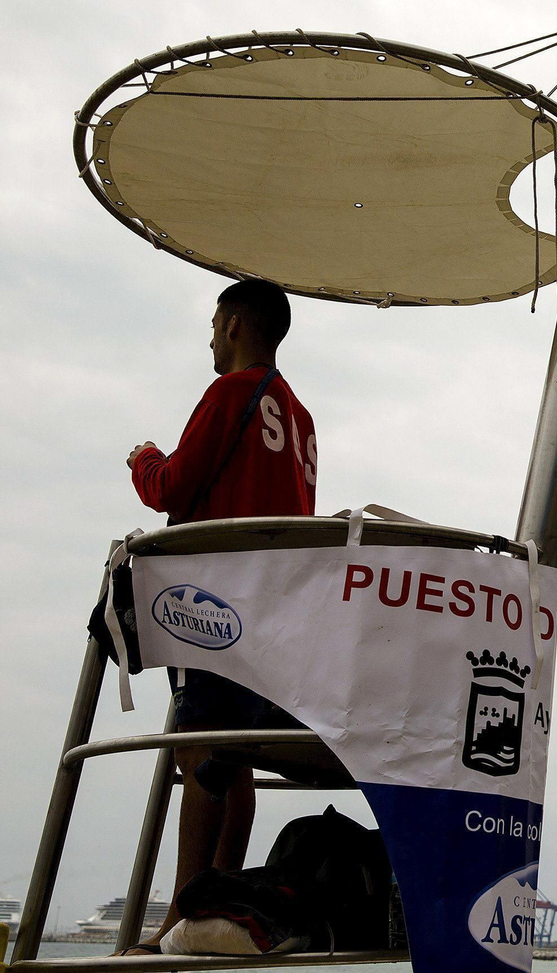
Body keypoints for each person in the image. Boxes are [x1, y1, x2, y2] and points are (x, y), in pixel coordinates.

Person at [118, 278, 317, 954]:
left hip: (215, 609)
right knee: (235, 757)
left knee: (199, 752)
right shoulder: (301, 417)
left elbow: (172, 485)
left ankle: (179, 918)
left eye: (213, 323)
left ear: (234, 324)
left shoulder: (230, 393)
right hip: (275, 615)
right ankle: (221, 903)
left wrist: (142, 459)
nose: (209, 335)